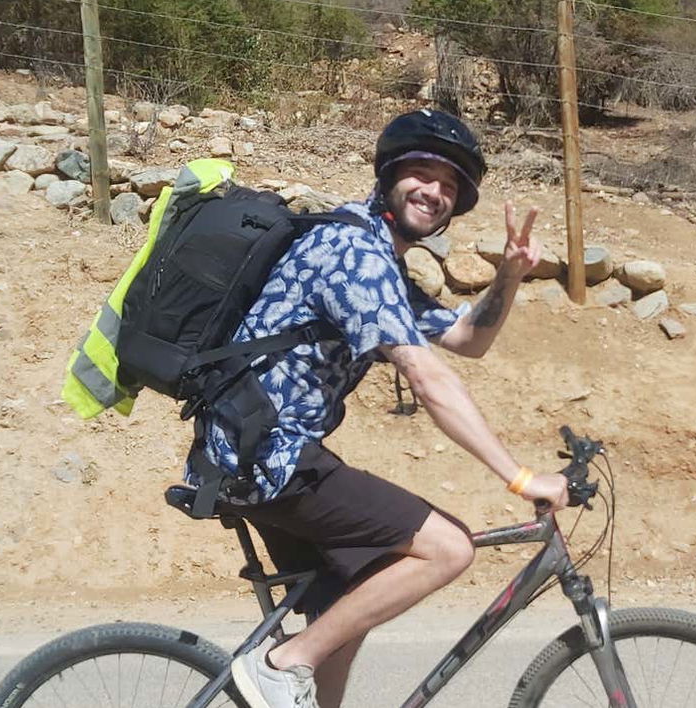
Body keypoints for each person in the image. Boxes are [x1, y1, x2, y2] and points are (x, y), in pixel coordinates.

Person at [191, 108, 570, 708]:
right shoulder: (353, 253)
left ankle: (298, 671)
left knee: (353, 604)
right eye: (421, 174)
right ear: (390, 176)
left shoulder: (380, 261)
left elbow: (467, 340)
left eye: (449, 186)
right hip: (270, 454)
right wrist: (519, 476)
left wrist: (509, 277)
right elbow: (427, 376)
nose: (435, 192)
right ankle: (281, 663)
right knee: (449, 547)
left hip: (257, 450)